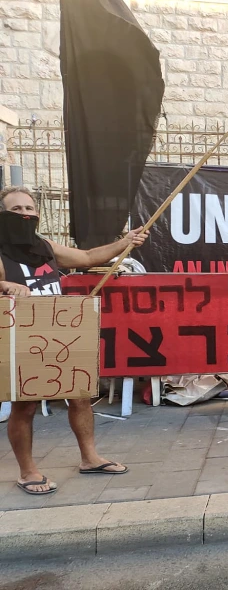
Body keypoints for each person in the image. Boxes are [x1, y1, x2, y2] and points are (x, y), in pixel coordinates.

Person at [0, 186, 148, 494]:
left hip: (59, 331)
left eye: (29, 208)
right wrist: (4, 286)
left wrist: (126, 242)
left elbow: (88, 257)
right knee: (24, 405)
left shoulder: (44, 245)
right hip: (20, 337)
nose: (25, 214)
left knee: (80, 395)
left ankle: (90, 458)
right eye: (16, 209)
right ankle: (28, 472)